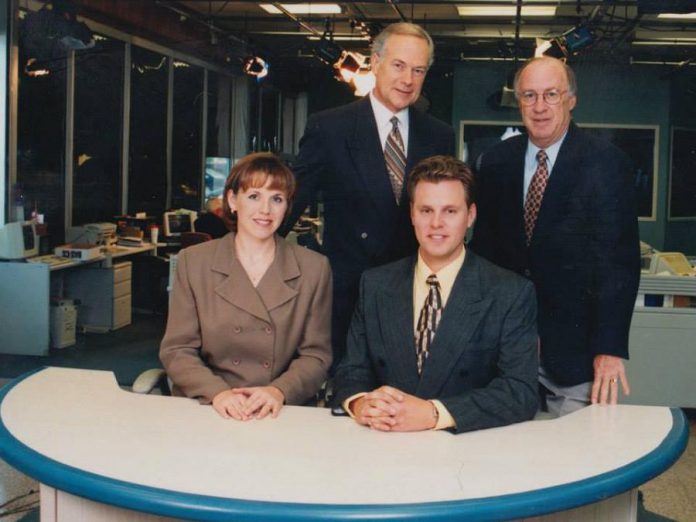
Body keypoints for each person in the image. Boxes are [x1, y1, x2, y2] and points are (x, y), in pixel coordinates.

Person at [470, 57, 641, 416]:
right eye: (529, 95)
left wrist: (609, 349)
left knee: (577, 459)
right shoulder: (495, 162)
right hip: (508, 349)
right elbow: (484, 255)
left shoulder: (607, 163)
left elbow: (618, 265)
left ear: (571, 99)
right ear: (518, 102)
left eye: (551, 94)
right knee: (508, 455)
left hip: (576, 352)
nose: (540, 106)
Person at [282, 22, 456, 371]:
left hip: (415, 295)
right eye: (398, 65)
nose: (408, 79)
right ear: (375, 63)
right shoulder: (329, 127)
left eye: (418, 70)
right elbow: (289, 203)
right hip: (348, 297)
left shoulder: (440, 136)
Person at [333, 156, 538, 433]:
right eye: (426, 210)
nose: (437, 223)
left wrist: (434, 414)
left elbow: (520, 392)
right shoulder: (375, 284)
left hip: (468, 453)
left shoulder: (509, 292)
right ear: (412, 215)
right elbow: (351, 371)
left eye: (450, 211)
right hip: (385, 446)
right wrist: (360, 404)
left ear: (471, 215)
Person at [160, 152, 332, 420]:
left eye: (277, 199)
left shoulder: (314, 268)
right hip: (208, 405)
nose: (265, 210)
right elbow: (177, 350)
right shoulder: (194, 262)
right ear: (232, 200)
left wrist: (278, 391)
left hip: (279, 409)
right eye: (254, 196)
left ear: (287, 207)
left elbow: (316, 356)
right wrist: (218, 393)